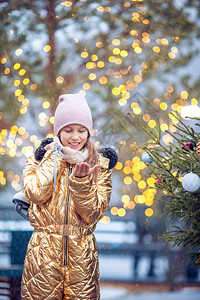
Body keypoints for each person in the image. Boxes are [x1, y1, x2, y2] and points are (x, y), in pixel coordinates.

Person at [19, 93, 118, 300]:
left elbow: (93, 214)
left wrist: (81, 183)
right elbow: (36, 194)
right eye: (68, 130)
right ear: (58, 132)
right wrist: (53, 157)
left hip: (81, 256)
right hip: (43, 255)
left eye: (81, 130)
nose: (75, 137)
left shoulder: (99, 164)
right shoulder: (39, 159)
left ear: (88, 133)